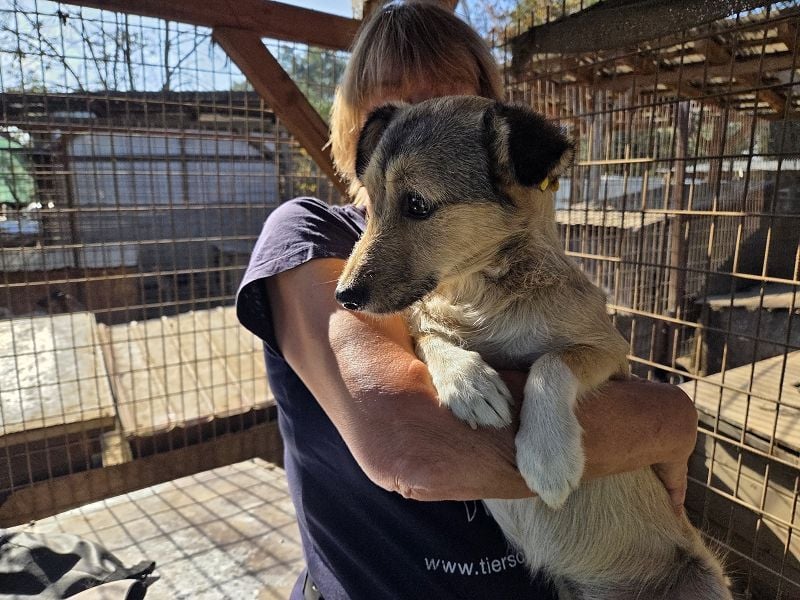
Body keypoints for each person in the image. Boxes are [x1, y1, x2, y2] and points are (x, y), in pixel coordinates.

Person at [236, 2, 699, 599]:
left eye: (441, 102)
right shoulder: (308, 233)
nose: (416, 121)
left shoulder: (516, 260)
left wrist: (662, 414)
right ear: (358, 122)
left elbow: (594, 354)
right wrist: (667, 419)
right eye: (391, 104)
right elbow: (412, 447)